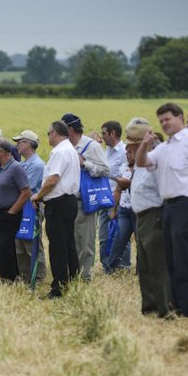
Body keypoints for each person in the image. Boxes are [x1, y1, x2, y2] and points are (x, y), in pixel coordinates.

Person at [136, 103, 188, 317]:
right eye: (161, 121)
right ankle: (176, 306)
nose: (164, 124)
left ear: (180, 117)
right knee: (171, 260)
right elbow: (142, 162)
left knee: (185, 259)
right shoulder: (164, 147)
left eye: (167, 119)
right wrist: (144, 144)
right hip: (168, 208)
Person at [126, 119, 171, 316]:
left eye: (132, 145)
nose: (129, 149)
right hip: (142, 216)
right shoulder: (141, 159)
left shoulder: (158, 158)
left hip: (155, 215)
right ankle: (149, 306)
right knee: (144, 266)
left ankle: (165, 308)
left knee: (157, 265)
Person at [31, 121, 80, 299]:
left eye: (48, 133)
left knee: (58, 247)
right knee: (69, 245)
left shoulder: (60, 151)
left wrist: (38, 196)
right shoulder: (70, 149)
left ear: (54, 133)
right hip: (68, 201)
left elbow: (52, 180)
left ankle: (58, 288)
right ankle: (73, 281)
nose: (48, 136)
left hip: (59, 203)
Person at [61, 113, 110, 281]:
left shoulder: (91, 146)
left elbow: (105, 169)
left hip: (85, 200)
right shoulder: (65, 146)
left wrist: (85, 164)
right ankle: (72, 274)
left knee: (86, 241)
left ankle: (85, 276)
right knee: (70, 240)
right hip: (67, 201)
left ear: (70, 129)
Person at [0, 138, 31, 282]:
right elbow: (2, 185)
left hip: (8, 214)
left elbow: (26, 192)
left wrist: (12, 211)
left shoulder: (16, 168)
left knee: (6, 246)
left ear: (2, 152)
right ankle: (5, 275)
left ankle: (9, 278)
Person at [12, 129, 46, 284]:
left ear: (28, 144)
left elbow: (25, 187)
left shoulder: (37, 164)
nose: (17, 145)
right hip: (22, 207)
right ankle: (25, 275)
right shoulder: (23, 163)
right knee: (19, 242)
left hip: (32, 208)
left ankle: (37, 276)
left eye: (20, 141)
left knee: (31, 243)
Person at [99, 120, 131, 271]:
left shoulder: (125, 152)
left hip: (118, 198)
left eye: (104, 133)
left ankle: (123, 265)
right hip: (105, 196)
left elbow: (126, 176)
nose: (103, 137)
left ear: (113, 133)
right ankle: (107, 264)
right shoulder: (107, 151)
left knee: (120, 234)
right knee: (104, 234)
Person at [104, 134, 135, 274]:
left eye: (131, 152)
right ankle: (110, 268)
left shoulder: (142, 169)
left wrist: (130, 184)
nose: (128, 155)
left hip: (138, 210)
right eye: (127, 152)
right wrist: (114, 209)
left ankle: (139, 270)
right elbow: (118, 190)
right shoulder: (123, 167)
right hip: (124, 208)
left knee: (141, 242)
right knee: (119, 238)